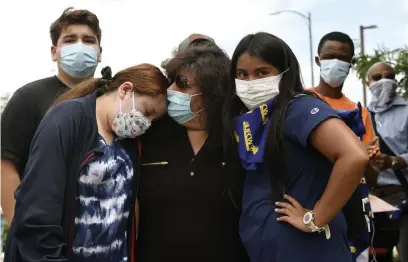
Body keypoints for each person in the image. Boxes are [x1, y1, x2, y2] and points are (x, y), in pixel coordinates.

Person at [223, 32, 371, 262]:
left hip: (309, 251)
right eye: (242, 74)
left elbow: (354, 156)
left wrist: (315, 217)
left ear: (285, 73)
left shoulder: (298, 108)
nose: (251, 83)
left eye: (262, 73)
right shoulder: (256, 120)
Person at [4, 64, 169, 262]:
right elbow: (37, 210)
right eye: (147, 111)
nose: (146, 123)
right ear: (125, 90)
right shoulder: (68, 119)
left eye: (153, 120)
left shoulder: (128, 141)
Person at [136, 37, 249, 262]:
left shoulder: (239, 138)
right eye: (172, 80)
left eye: (181, 83)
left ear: (210, 91)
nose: (171, 90)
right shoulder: (150, 132)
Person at [1, 7, 103, 224]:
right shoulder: (27, 98)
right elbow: (6, 166)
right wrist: (20, 232)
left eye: (88, 40)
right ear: (54, 51)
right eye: (69, 39)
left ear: (100, 52)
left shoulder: (111, 100)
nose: (79, 46)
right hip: (45, 235)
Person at [310, 31, 379, 262]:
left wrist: (371, 159)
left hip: (351, 216)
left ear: (351, 64)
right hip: (311, 207)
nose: (336, 63)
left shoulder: (359, 113)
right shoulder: (301, 101)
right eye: (330, 56)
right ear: (318, 60)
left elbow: (370, 175)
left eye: (343, 58)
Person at [368, 62, 408, 262]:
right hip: (373, 201)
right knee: (376, 257)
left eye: (389, 76)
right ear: (368, 83)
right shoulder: (362, 116)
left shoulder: (407, 112)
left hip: (403, 196)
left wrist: (397, 160)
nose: (384, 81)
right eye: (377, 77)